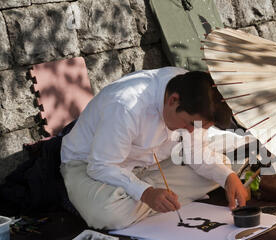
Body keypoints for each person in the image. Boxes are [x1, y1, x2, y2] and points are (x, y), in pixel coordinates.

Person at [60, 67, 247, 230]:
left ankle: (143, 196)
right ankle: (145, 195)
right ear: (173, 100)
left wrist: (227, 177)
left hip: (151, 164)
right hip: (89, 166)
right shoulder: (125, 106)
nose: (191, 131)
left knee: (224, 166)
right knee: (108, 213)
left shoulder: (192, 91)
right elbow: (100, 166)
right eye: (189, 124)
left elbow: (196, 153)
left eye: (197, 127)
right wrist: (146, 192)